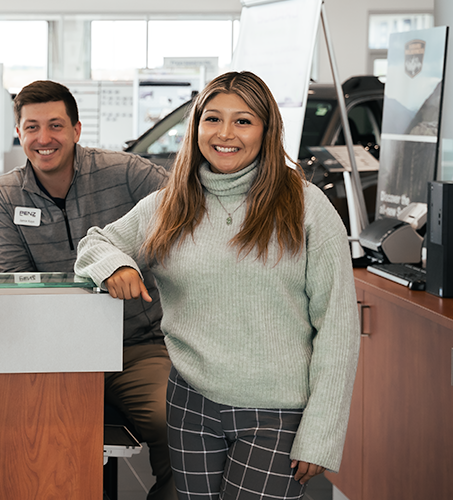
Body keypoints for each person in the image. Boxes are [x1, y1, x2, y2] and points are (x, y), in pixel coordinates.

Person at [74, 71, 360, 500]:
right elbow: (95, 243)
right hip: (191, 403)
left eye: (243, 121)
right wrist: (117, 265)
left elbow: (338, 326)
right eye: (213, 119)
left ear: (267, 130)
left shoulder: (305, 206)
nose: (225, 134)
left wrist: (322, 432)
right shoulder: (171, 203)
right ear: (196, 127)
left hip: (275, 413)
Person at [0, 79, 175, 500]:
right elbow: (17, 281)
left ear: (76, 129)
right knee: (33, 440)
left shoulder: (125, 172)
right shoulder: (5, 195)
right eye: (32, 127)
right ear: (19, 133)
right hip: (55, 350)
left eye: (55, 125)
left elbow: (185, 207)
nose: (44, 138)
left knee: (171, 421)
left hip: (135, 344)